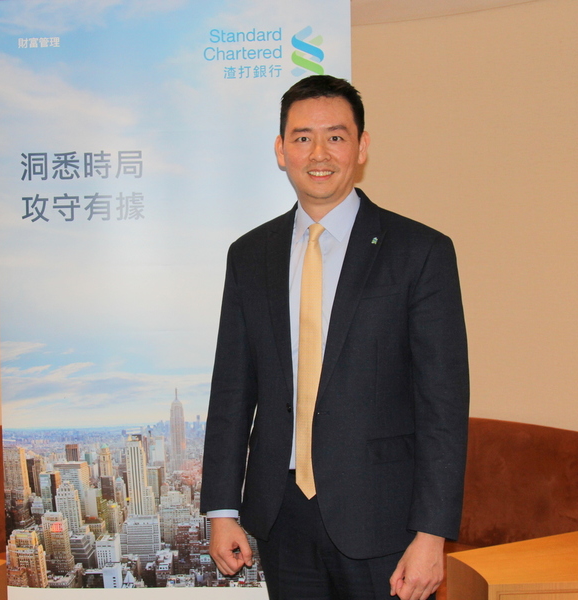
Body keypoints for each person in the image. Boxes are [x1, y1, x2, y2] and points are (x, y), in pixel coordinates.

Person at [200, 75, 469, 600]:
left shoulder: (420, 252)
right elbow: (232, 390)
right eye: (302, 137)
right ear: (281, 150)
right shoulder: (249, 255)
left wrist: (432, 534)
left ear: (361, 147)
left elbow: (443, 405)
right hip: (280, 517)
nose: (318, 153)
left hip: (386, 521)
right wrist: (222, 510)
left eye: (336, 136)